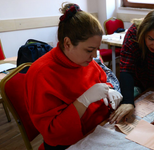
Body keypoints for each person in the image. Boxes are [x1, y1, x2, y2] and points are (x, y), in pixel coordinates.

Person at [25, 3, 122, 150]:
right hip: (70, 141)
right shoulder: (42, 74)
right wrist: (84, 101)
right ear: (68, 43)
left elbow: (101, 81)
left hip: (99, 129)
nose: (94, 56)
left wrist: (108, 91)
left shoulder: (84, 60)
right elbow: (53, 132)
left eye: (97, 48)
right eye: (90, 50)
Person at [109, 9, 154, 129]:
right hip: (137, 79)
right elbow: (126, 69)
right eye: (150, 39)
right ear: (144, 33)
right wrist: (128, 101)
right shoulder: (134, 32)